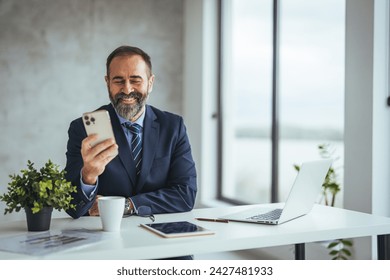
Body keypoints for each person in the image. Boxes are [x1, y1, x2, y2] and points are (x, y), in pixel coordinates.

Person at [64, 46, 197, 231]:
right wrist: (88, 176)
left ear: (150, 83)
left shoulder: (173, 127)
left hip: (165, 239)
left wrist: (127, 205)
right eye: (118, 81)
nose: (127, 89)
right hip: (106, 239)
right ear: (107, 82)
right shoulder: (82, 129)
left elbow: (185, 195)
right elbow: (72, 207)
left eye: (135, 80)